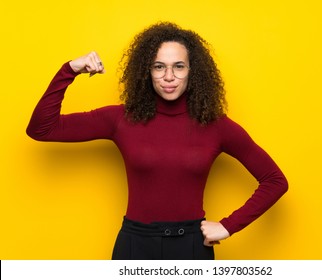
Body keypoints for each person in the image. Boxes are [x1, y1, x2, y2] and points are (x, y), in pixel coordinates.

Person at [26, 22, 288, 260]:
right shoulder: (120, 118)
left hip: (192, 248)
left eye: (179, 66)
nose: (169, 76)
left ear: (192, 71)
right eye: (159, 66)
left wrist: (229, 226)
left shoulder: (217, 125)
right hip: (135, 246)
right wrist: (69, 70)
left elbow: (275, 181)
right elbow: (42, 129)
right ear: (147, 71)